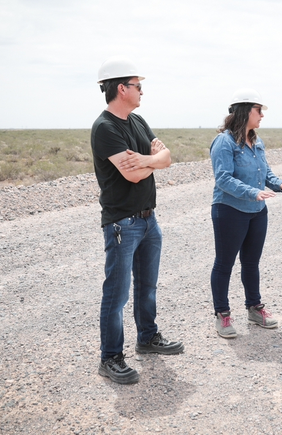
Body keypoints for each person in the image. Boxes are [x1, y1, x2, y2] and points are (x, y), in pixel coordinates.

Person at [91, 56, 184, 384]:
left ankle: (147, 338)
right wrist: (153, 161)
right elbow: (131, 176)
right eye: (138, 86)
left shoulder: (138, 121)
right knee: (117, 294)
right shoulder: (105, 128)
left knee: (147, 288)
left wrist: (148, 159)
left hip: (148, 221)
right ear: (121, 88)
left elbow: (167, 157)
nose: (142, 91)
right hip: (122, 224)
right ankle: (110, 357)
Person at [209, 88, 282, 338]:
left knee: (251, 263)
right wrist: (253, 192)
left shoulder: (256, 141)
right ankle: (223, 315)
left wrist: (279, 184)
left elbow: (265, 172)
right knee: (224, 263)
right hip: (230, 210)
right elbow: (223, 179)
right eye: (259, 110)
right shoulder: (224, 142)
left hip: (257, 211)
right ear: (244, 111)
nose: (262, 115)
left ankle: (254, 308)